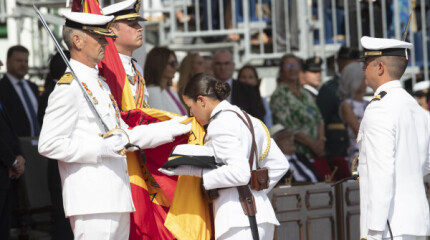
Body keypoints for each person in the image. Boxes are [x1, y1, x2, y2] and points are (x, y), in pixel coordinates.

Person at [38, 12, 191, 239]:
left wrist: (176, 127)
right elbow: (48, 144)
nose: (104, 43)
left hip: (118, 196)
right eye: (98, 38)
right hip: (92, 201)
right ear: (78, 41)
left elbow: (125, 136)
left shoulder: (99, 83)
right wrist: (100, 148)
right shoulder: (69, 87)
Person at [159, 73, 289, 240]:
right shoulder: (247, 118)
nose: (191, 113)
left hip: (237, 219)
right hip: (261, 215)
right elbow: (280, 164)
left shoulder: (220, 123)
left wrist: (197, 171)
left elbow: (240, 173)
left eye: (190, 106)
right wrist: (255, 190)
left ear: (202, 100)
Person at [358, 36, 430, 240]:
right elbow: (426, 164)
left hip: (389, 225)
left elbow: (382, 173)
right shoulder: (416, 108)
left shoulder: (380, 108)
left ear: (380, 67)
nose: (363, 69)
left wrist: (373, 231)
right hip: (415, 223)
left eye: (366, 63)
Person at [270, 54, 325, 158]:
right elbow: (289, 127)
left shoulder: (304, 93)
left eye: (295, 66)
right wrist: (313, 145)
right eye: (288, 66)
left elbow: (319, 119)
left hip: (317, 151)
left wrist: (320, 141)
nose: (292, 69)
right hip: (299, 153)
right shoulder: (279, 95)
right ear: (281, 70)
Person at [103, 0, 150, 108]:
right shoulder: (104, 67)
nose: (140, 28)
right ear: (112, 31)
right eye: (132, 24)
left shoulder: (136, 68)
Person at [316, 46, 360, 161]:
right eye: (349, 62)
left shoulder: (361, 84)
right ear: (339, 62)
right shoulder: (329, 89)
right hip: (338, 147)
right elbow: (322, 118)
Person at [212, 49, 265, 121]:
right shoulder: (205, 89)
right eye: (219, 64)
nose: (223, 67)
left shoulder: (247, 90)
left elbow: (257, 119)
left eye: (226, 63)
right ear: (213, 66)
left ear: (233, 66)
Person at [0, 45, 40, 137]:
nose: (23, 64)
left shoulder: (33, 87)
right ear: (7, 62)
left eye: (26, 61)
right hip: (13, 147)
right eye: (18, 61)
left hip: (38, 145)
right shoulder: (2, 88)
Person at [337, 62, 368, 166]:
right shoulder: (346, 105)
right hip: (357, 151)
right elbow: (358, 130)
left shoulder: (368, 103)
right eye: (362, 79)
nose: (366, 82)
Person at [145, 46, 187, 115]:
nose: (176, 67)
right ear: (159, 65)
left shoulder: (170, 90)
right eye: (172, 64)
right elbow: (161, 119)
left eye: (176, 63)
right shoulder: (152, 91)